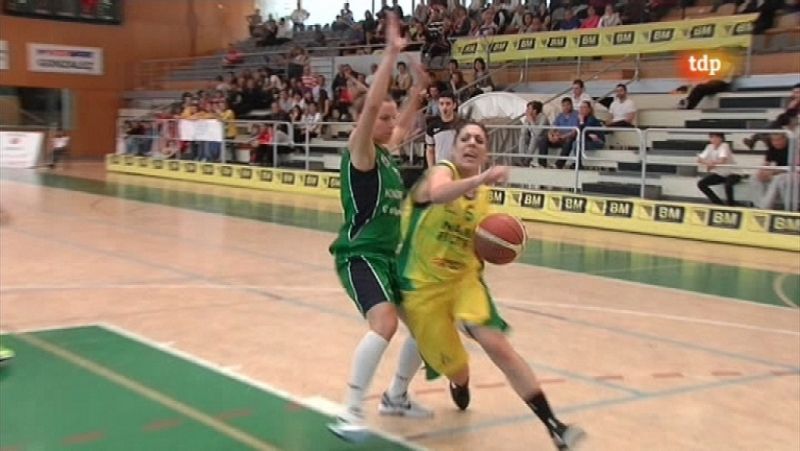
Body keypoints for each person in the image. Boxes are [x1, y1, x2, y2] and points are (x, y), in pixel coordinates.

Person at [396, 121, 586, 450]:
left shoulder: (483, 197)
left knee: (499, 346)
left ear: (486, 150)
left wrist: (504, 245)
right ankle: (460, 381)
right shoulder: (439, 173)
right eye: (465, 138)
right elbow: (440, 194)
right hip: (422, 285)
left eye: (479, 140)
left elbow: (479, 243)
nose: (471, 143)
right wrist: (483, 176)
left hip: (463, 281)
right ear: (454, 148)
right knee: (457, 370)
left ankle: (554, 425)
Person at [327, 14, 433, 441]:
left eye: (392, 119)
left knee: (429, 323)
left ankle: (396, 396)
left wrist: (420, 89)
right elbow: (374, 108)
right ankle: (350, 411)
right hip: (360, 255)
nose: (392, 125)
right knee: (385, 325)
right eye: (383, 119)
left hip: (390, 257)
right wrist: (391, 54)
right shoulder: (362, 153)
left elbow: (405, 120)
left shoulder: (387, 154)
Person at [696, 132, 741, 206]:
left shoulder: (724, 146)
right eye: (711, 137)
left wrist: (711, 164)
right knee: (701, 184)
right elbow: (699, 159)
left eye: (715, 137)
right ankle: (718, 204)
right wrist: (708, 163)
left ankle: (731, 205)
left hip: (733, 173)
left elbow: (722, 160)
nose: (713, 139)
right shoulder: (709, 147)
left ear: (721, 138)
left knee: (728, 184)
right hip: (720, 174)